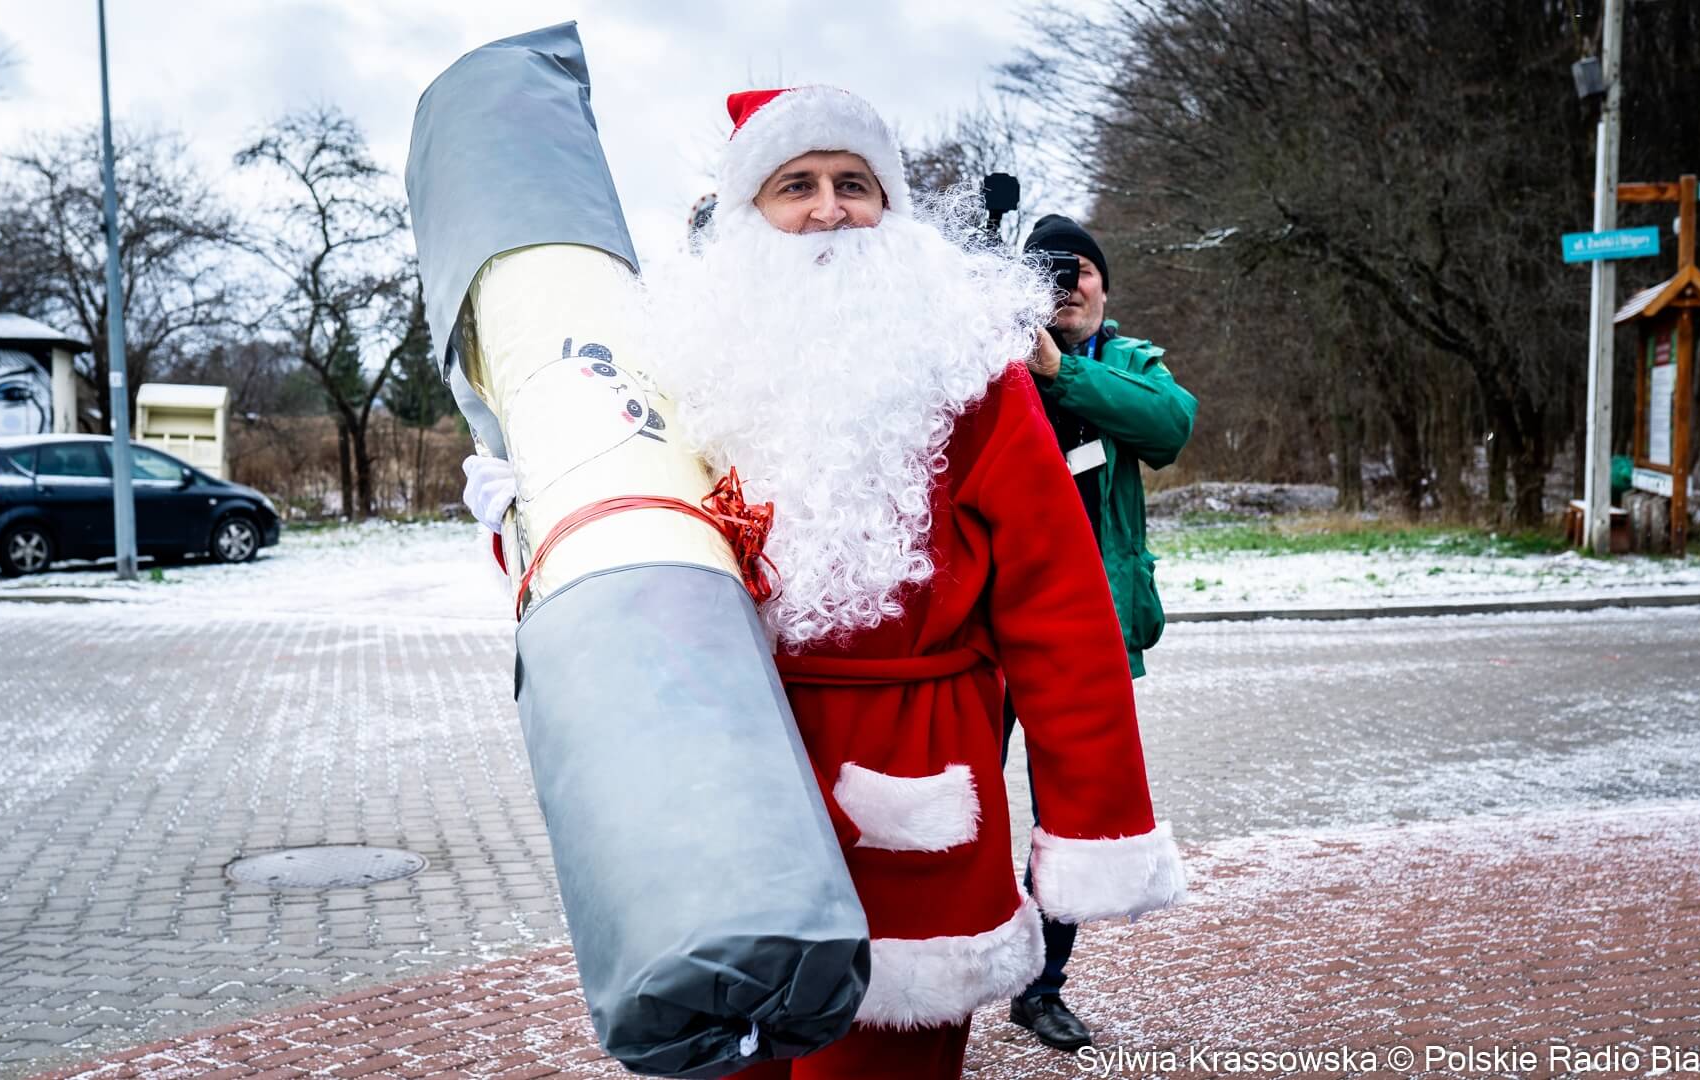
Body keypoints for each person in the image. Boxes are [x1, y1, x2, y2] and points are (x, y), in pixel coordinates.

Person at [465, 86, 1185, 1080]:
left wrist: (1095, 821)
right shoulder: (677, 361)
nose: (830, 207)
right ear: (747, 213)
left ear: (891, 210)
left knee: (884, 1062)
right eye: (794, 185)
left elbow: (1057, 602)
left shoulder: (971, 370)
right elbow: (630, 545)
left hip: (911, 771)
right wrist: (529, 507)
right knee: (726, 1050)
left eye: (855, 183)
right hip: (729, 763)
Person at [1002, 215, 1198, 1052]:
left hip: (1083, 636)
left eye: (1077, 270)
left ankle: (1040, 989)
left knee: (1071, 819)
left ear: (1103, 286)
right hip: (987, 632)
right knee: (953, 809)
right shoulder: (994, 362)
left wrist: (1062, 376)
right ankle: (942, 970)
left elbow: (1169, 427)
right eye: (1044, 274)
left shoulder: (1129, 364)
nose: (1065, 286)